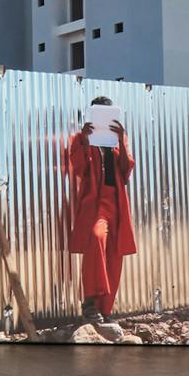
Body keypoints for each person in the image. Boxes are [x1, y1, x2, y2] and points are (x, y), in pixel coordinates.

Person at [64, 95, 137, 322]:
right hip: (96, 204)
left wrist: (120, 139)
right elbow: (80, 170)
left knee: (115, 254)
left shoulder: (118, 139)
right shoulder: (81, 138)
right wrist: (85, 141)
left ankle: (105, 311)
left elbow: (126, 171)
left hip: (117, 202)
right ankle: (90, 303)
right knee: (96, 240)